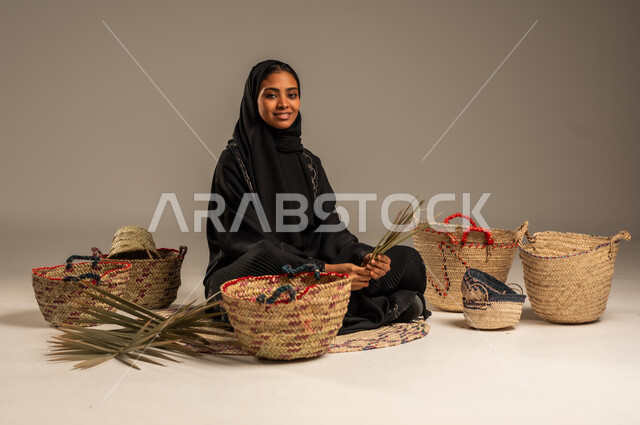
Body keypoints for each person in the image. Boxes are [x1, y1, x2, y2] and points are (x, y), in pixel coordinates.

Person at [203, 59, 430, 334]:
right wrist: (322, 271)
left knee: (407, 259)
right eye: (271, 94)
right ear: (254, 100)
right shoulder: (234, 162)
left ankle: (328, 296)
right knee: (264, 255)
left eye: (292, 94)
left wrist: (365, 257)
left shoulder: (309, 163)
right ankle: (345, 297)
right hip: (250, 276)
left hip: (313, 267)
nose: (284, 103)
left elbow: (332, 230)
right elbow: (243, 244)